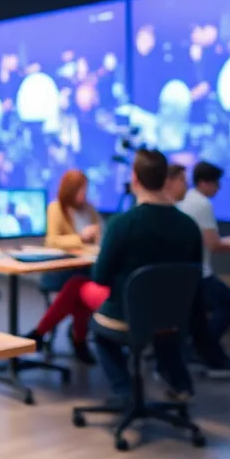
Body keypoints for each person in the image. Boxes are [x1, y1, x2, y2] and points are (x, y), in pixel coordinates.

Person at [91, 149, 201, 402]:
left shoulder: (122, 224)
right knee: (159, 325)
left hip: (127, 315)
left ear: (135, 179)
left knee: (100, 332)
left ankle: (124, 391)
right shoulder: (189, 226)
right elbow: (193, 275)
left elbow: (100, 277)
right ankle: (180, 384)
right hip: (171, 316)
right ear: (166, 180)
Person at [176, 161, 230, 377]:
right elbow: (214, 244)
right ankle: (203, 348)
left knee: (197, 316)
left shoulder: (186, 201)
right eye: (216, 183)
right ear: (204, 183)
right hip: (200, 272)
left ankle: (199, 348)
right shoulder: (202, 205)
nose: (218, 188)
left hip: (186, 271)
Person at [25, 170, 105, 363]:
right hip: (60, 270)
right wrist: (81, 238)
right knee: (77, 287)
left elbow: (101, 235)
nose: (84, 194)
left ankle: (40, 332)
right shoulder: (56, 208)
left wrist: (96, 236)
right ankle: (79, 340)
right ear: (71, 189)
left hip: (84, 267)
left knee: (79, 286)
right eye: (81, 189)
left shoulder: (89, 209)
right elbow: (52, 241)